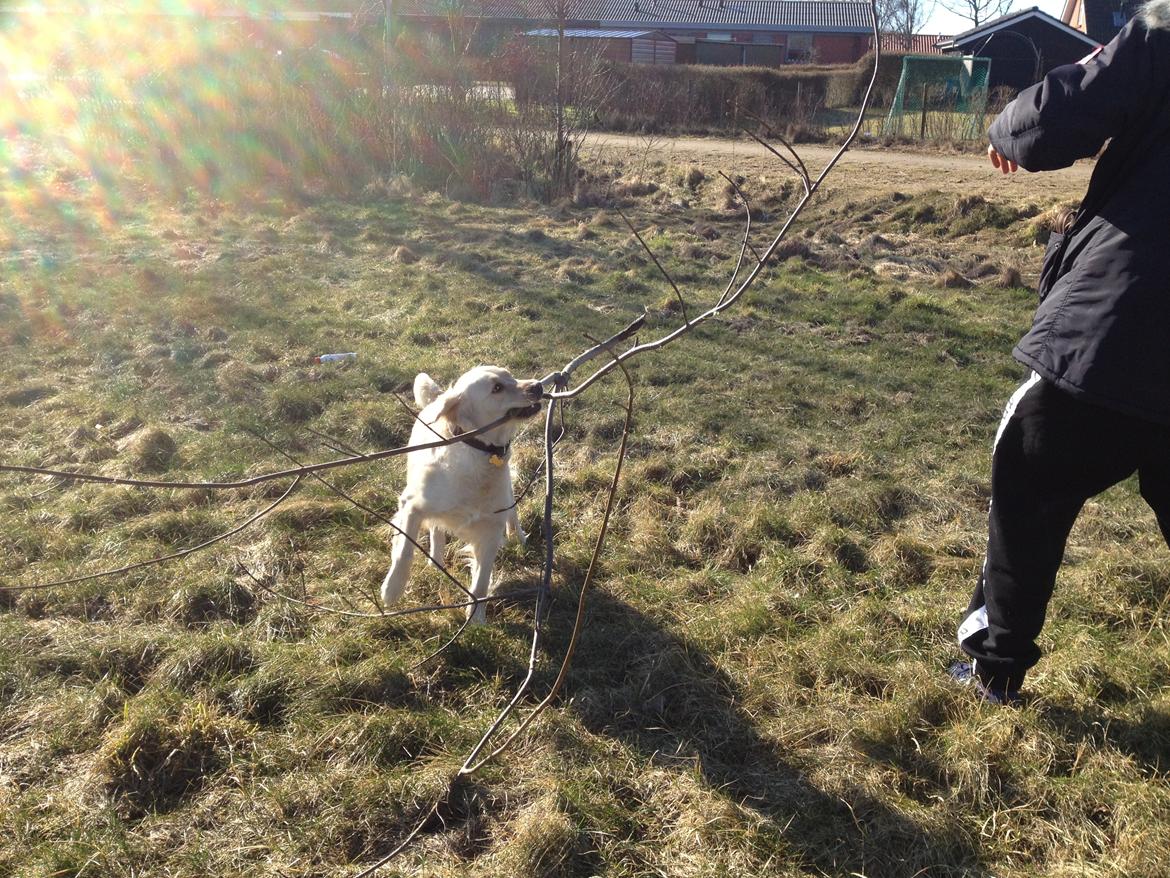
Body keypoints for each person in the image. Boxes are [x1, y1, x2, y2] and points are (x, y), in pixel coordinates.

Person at [950, 0, 1170, 705]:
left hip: (1126, 322)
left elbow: (1057, 118)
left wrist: (1005, 130)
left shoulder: (1163, 31)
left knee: (1029, 478)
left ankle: (994, 668)